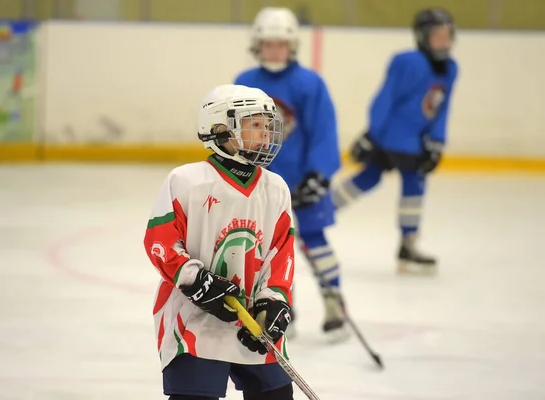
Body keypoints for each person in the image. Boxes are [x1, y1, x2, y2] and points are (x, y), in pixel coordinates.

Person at [144, 84, 296, 400]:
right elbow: (160, 242)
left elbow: (281, 252)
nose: (265, 134)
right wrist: (196, 280)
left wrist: (275, 298)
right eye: (255, 125)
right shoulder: (186, 182)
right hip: (195, 321)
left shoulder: (276, 188)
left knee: (276, 394)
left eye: (267, 126)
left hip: (252, 320)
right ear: (220, 130)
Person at [234, 7, 347, 337]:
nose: (274, 51)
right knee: (267, 247)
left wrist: (319, 174)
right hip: (260, 183)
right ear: (258, 45)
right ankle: (281, 306)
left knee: (315, 239)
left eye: (280, 44)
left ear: (292, 46)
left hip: (303, 179)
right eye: (268, 44)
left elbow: (324, 131)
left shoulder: (310, 83)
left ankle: (334, 302)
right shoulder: (245, 83)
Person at [331, 8, 459, 275]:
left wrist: (436, 141)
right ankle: (408, 244)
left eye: (447, 36)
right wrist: (372, 132)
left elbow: (441, 109)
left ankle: (319, 213)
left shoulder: (450, 69)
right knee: (413, 182)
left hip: (413, 139)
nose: (444, 42)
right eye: (437, 36)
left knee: (370, 177)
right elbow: (385, 98)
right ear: (423, 37)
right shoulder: (409, 62)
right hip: (396, 136)